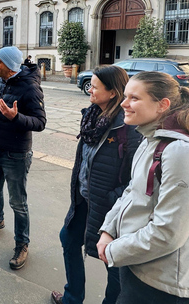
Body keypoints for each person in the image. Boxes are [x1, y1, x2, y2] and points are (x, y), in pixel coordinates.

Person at [96, 71, 189, 304]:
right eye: (125, 96)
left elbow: (168, 233)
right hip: (140, 264)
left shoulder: (182, 153)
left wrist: (114, 251)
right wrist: (109, 230)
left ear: (163, 105)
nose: (123, 104)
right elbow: (133, 191)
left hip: (163, 284)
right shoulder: (152, 138)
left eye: (134, 98)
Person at [51, 66, 142, 304]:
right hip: (84, 200)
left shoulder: (128, 127)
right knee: (69, 240)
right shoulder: (92, 116)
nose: (89, 89)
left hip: (112, 208)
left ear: (112, 93)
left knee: (112, 262)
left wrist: (113, 198)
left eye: (94, 86)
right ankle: (72, 298)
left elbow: (138, 179)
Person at [0, 46, 46, 270]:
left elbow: (40, 122)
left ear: (9, 66)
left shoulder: (30, 88)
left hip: (16, 153)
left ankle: (22, 244)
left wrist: (16, 118)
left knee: (18, 203)